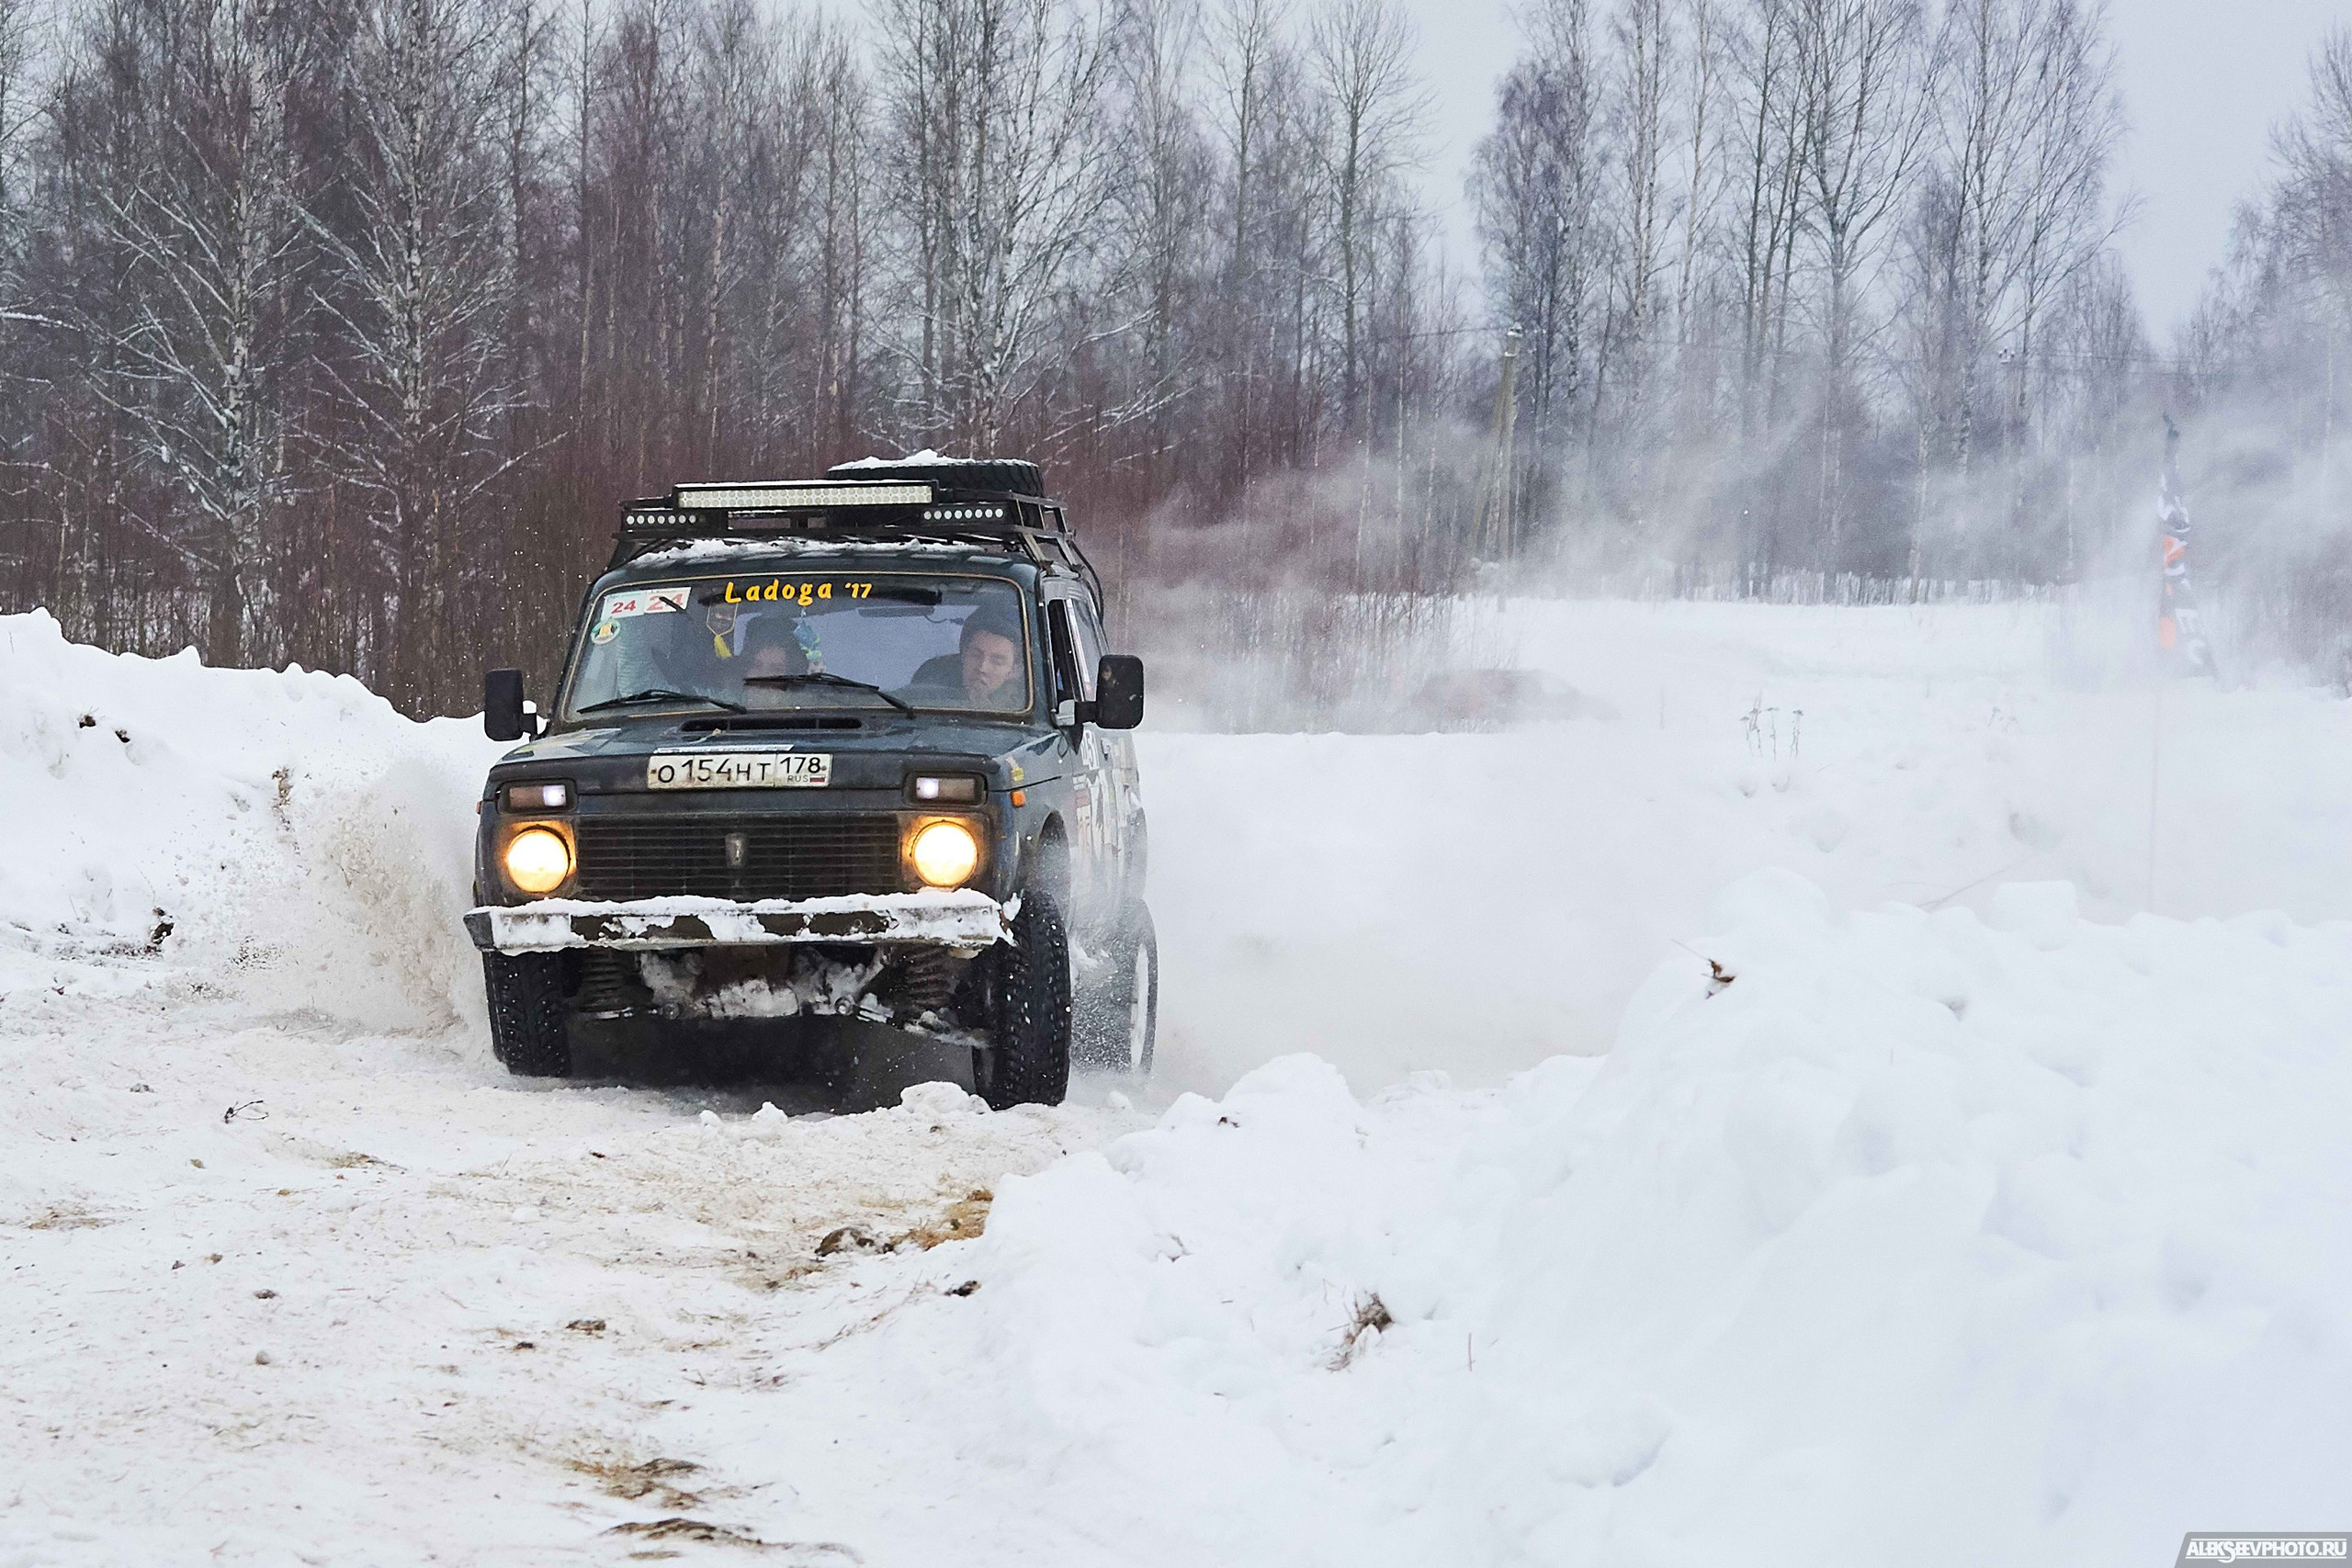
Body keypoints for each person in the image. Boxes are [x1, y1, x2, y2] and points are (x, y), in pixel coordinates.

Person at [904, 608, 1026, 710]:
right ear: (963, 655)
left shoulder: (1028, 709)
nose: (982, 667)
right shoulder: (929, 686)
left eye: (997, 661)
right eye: (975, 655)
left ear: (1015, 670)